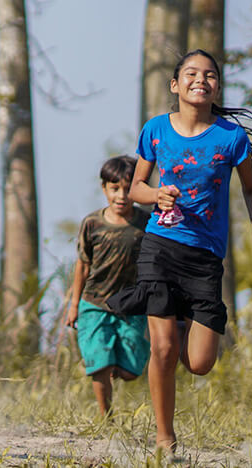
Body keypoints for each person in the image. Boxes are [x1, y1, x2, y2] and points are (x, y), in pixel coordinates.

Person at [106, 49, 252, 453]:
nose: (201, 79)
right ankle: (164, 439)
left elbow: (250, 190)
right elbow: (137, 187)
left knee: (199, 363)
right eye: (191, 73)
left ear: (217, 86)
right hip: (161, 246)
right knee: (163, 349)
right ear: (175, 84)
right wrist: (156, 195)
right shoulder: (155, 130)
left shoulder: (231, 137)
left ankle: (180, 319)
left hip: (205, 257)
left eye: (210, 75)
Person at [65, 156, 151, 417]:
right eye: (115, 189)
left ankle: (115, 363)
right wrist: (74, 305)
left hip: (131, 305)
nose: (121, 196)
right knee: (99, 363)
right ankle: (106, 416)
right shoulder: (93, 224)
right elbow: (83, 265)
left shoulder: (146, 223)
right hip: (95, 302)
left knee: (130, 370)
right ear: (104, 188)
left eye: (128, 189)